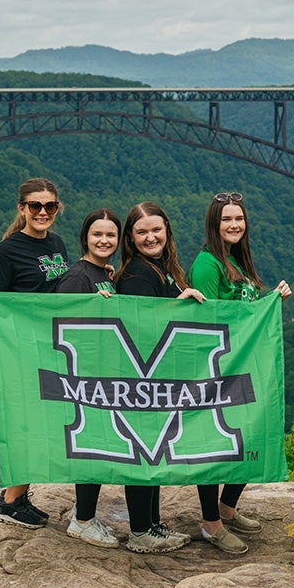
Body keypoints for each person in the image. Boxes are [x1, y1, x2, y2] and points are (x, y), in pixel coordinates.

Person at [188, 191, 292, 554]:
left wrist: (271, 300)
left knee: (249, 434)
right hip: (215, 369)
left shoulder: (236, 258)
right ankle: (210, 523)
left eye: (239, 219)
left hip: (242, 366)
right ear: (214, 225)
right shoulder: (207, 265)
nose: (234, 225)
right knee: (214, 445)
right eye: (226, 220)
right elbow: (204, 323)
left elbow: (241, 311)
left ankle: (226, 508)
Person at [0, 177, 70, 530]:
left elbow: (61, 291)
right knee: (26, 423)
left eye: (49, 206)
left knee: (39, 422)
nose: (43, 212)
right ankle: (9, 503)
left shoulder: (57, 244)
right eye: (35, 206)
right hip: (17, 350)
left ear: (57, 209)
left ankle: (16, 496)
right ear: (22, 208)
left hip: (45, 347)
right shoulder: (8, 251)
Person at [114, 201, 205, 554]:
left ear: (167, 229)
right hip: (142, 378)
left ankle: (151, 523)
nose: (151, 237)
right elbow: (140, 326)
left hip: (152, 379)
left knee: (152, 452)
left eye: (156, 230)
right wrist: (177, 304)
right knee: (142, 450)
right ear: (131, 238)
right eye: (142, 232)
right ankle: (140, 531)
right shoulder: (139, 274)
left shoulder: (157, 268)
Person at [55, 208, 121, 549]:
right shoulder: (78, 277)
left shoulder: (99, 273)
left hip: (100, 373)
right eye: (98, 235)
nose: (104, 240)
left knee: (95, 445)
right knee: (92, 447)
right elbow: (57, 320)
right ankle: (82, 520)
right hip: (84, 376)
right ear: (85, 238)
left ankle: (83, 512)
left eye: (111, 235)